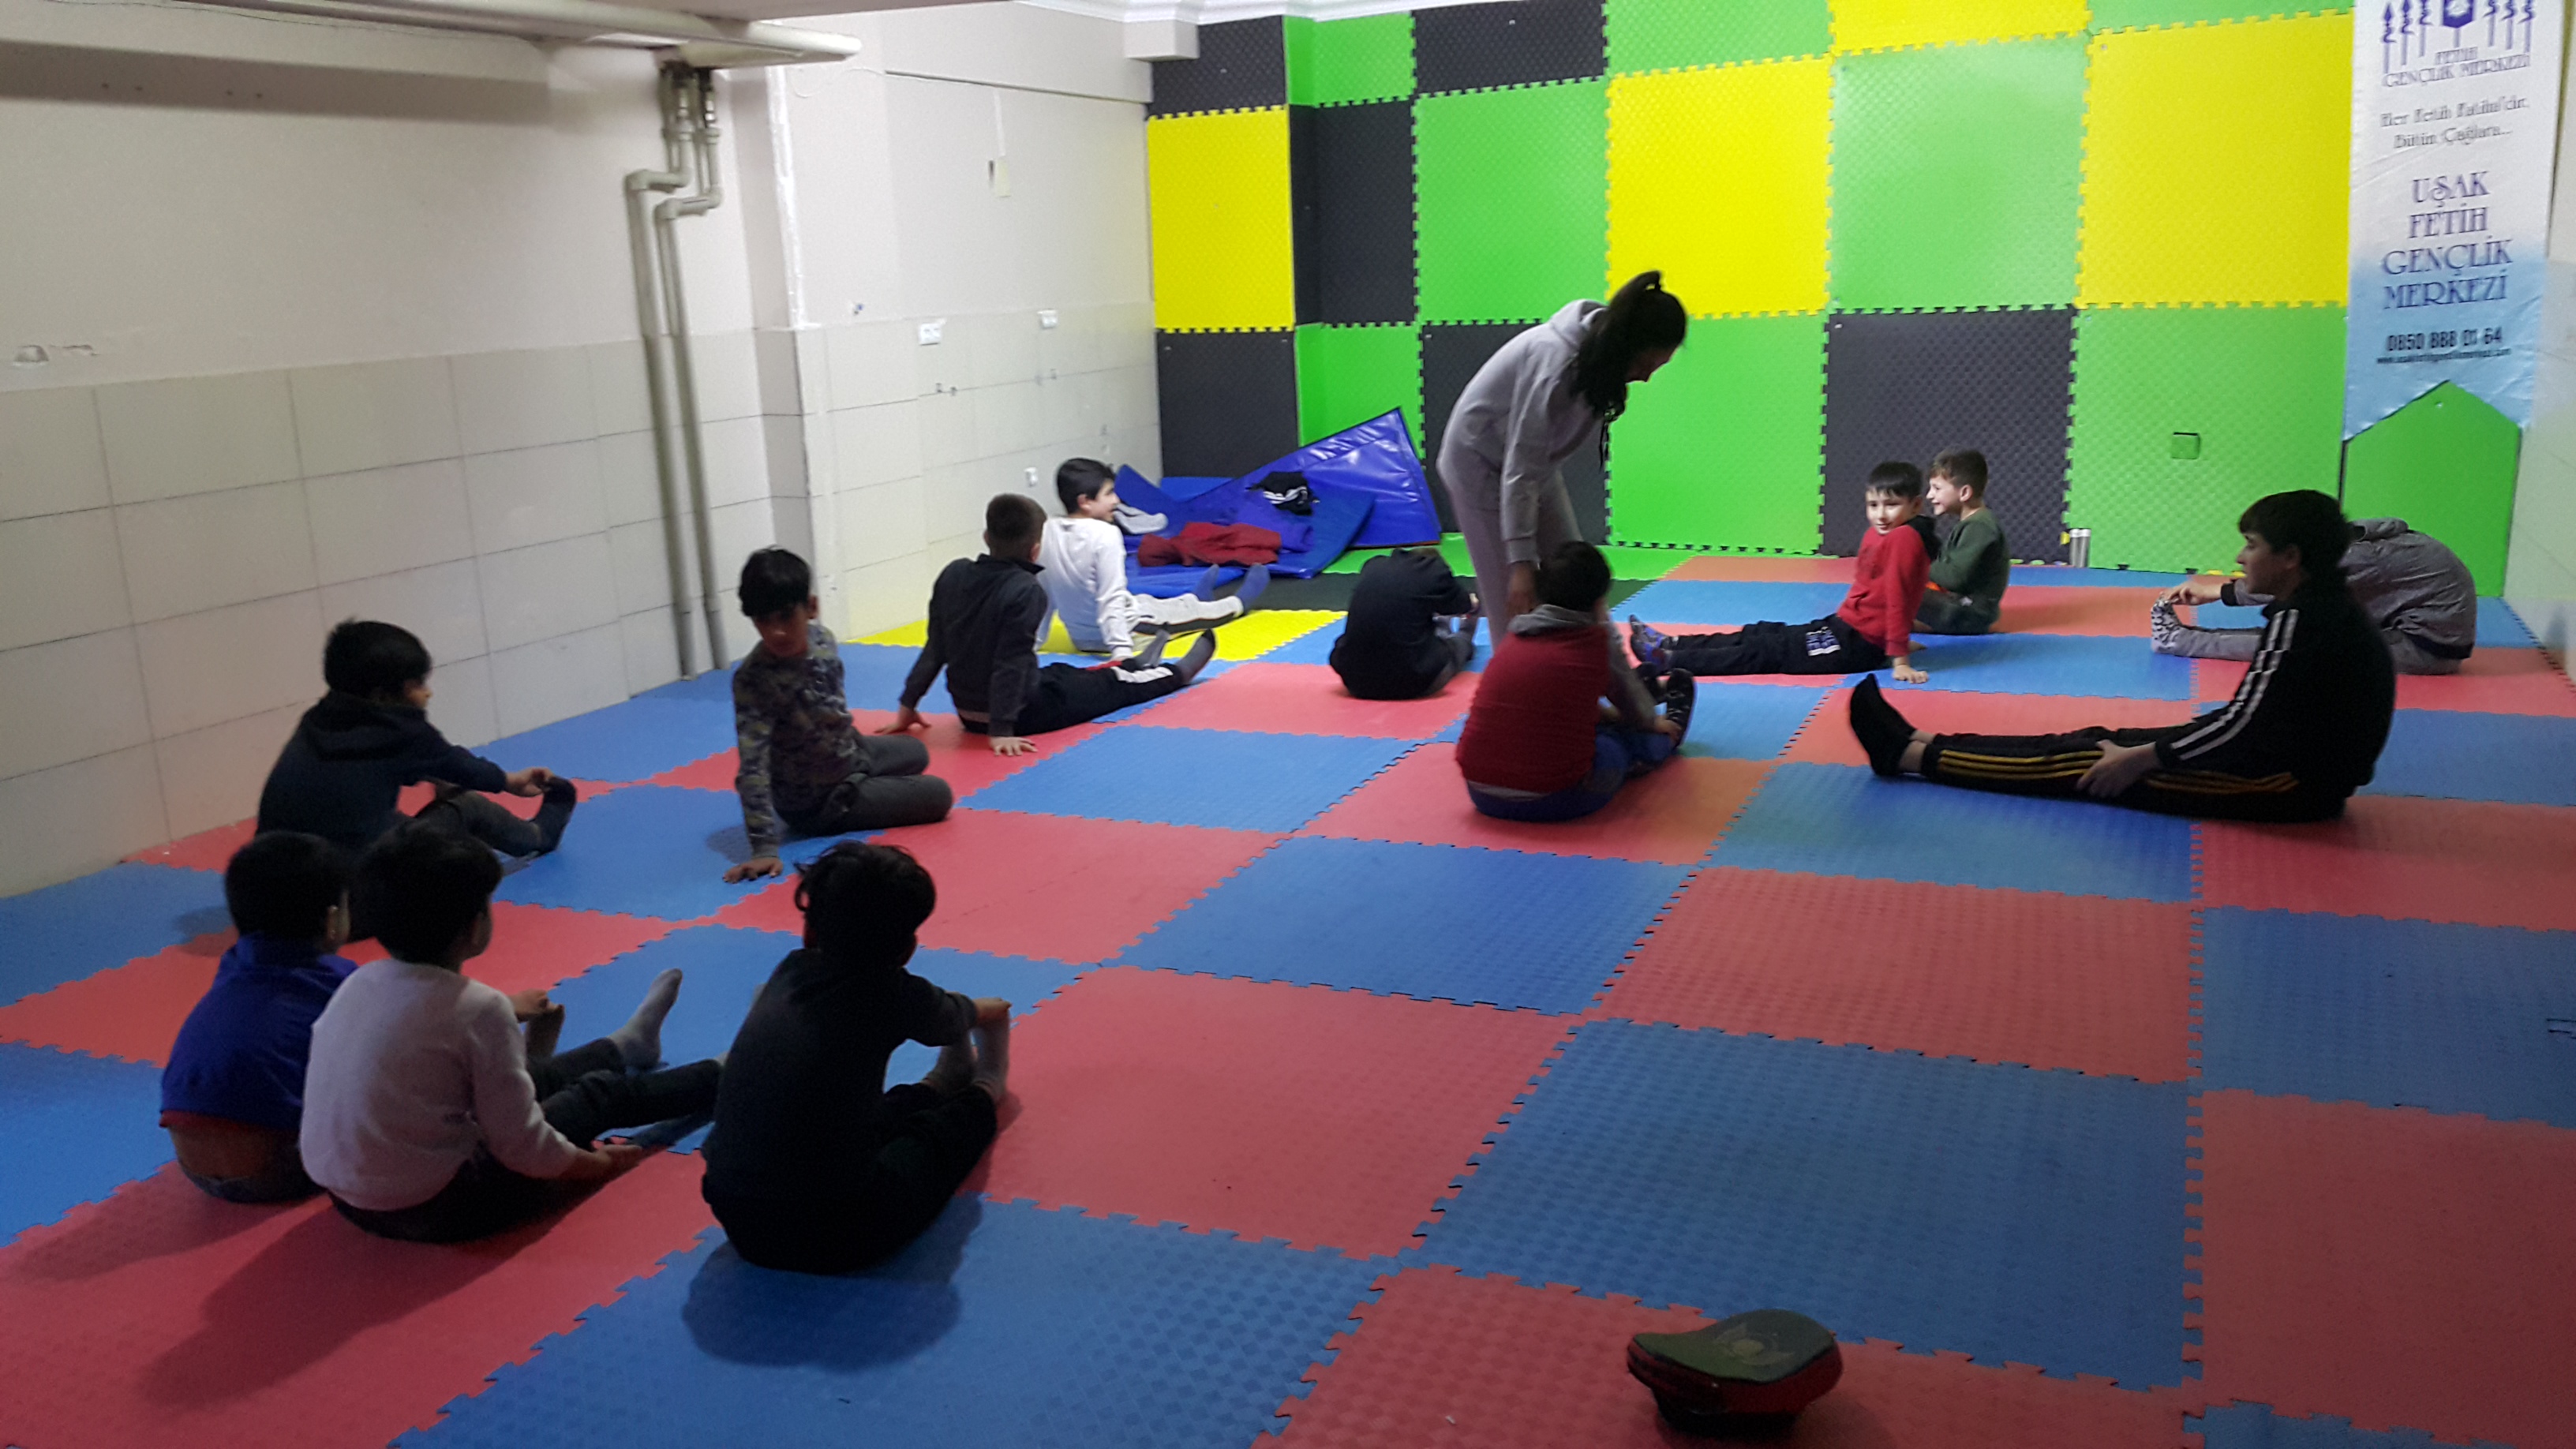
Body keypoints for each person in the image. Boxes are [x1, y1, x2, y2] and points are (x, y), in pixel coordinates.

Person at [1849, 489, 2395, 822]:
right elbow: (2253, 718)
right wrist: (2152, 746)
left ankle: (1908, 758)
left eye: (2252, 545)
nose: (2240, 556)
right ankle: (1924, 739)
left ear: (2290, 557)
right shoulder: (2321, 606)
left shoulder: (2305, 621)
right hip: (2271, 759)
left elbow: (2245, 726)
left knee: (2085, 763)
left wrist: (2146, 758)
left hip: (2283, 784)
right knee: (2097, 737)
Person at [301, 822, 723, 1243]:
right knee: (598, 1095)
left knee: (527, 1078)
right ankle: (726, 1072)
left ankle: (626, 1047)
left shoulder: (358, 982)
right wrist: (596, 1166)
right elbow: (523, 1147)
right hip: (438, 1207)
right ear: (475, 926)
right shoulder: (479, 1008)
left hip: (348, 1198)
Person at [701, 841, 1010, 1274]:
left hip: (736, 1214)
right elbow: (950, 1020)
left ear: (809, 933)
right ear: (907, 950)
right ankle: (986, 1088)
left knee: (869, 1117)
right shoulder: (889, 991)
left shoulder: (789, 971)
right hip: (841, 1228)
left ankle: (936, 1085)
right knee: (933, 1141)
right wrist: (991, 1011)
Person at [1442, 271, 1689, 628]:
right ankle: (1515, 664)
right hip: (1478, 463)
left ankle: (1613, 664)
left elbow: (1531, 467)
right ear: (1627, 346)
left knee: (1582, 585)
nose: (1646, 377)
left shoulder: (1600, 359)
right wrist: (1521, 564)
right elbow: (1520, 470)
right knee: (1515, 603)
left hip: (1531, 468)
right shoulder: (1554, 364)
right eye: (1645, 365)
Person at [882, 494, 1217, 757]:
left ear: (986, 537)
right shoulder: (1024, 590)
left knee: (1062, 673)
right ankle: (1175, 673)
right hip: (1021, 715)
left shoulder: (953, 573)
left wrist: (907, 705)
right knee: (1114, 689)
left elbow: (936, 647)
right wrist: (1001, 731)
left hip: (968, 713)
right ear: (1035, 550)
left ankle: (1131, 665)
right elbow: (1010, 663)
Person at [256, 619, 575, 863]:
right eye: (418, 685)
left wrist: (441, 774)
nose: (428, 693)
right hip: (356, 894)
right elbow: (454, 763)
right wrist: (508, 781)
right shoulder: (403, 732)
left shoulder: (318, 719)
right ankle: (537, 836)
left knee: (391, 815)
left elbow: (429, 761)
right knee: (468, 807)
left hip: (272, 887)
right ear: (382, 696)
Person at [725, 549, 954, 885]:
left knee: (916, 751)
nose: (776, 633)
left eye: (786, 617)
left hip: (848, 754)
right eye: (763, 621)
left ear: (811, 607)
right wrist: (763, 848)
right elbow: (753, 767)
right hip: (819, 801)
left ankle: (862, 778)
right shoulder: (754, 680)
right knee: (939, 795)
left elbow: (831, 712)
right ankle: (857, 790)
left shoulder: (823, 641)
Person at [158, 833, 358, 1204]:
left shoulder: (234, 963)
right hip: (279, 1170)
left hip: (191, 1163)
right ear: (334, 920)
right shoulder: (341, 983)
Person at [1455, 541, 1695, 822]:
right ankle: (1666, 739)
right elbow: (1637, 711)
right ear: (1599, 602)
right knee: (1621, 744)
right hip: (1559, 797)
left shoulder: (1514, 637)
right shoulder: (1595, 642)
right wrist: (1654, 724)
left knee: (1564, 720)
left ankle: (1642, 696)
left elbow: (1553, 707)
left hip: (1480, 792)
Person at [1630, 462, 1934, 683]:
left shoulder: (1903, 539)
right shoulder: (1882, 534)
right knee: (1763, 633)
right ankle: (1673, 642)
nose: (1881, 514)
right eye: (1873, 505)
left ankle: (1670, 660)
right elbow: (1875, 591)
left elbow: (1898, 597)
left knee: (1767, 652)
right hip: (1845, 628)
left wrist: (1899, 658)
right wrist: (1893, 641)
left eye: (1892, 505)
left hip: (1856, 646)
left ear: (1916, 505)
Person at [2151, 515, 2476, 674]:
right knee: (2293, 627)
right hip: (2414, 627)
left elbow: (2282, 585)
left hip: (2426, 649)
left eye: (2252, 546)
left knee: (2291, 644)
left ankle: (2179, 641)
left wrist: (2216, 591)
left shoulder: (2363, 557)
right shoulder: (2359, 539)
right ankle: (2189, 636)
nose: (2242, 556)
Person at [1040, 459, 1266, 658]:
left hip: (1081, 637)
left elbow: (1043, 593)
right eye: (1108, 494)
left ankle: (1192, 599)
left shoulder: (1048, 530)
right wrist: (1121, 652)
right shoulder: (1104, 535)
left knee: (1146, 601)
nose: (1116, 500)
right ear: (1085, 502)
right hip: (1126, 633)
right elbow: (1111, 596)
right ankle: (1237, 603)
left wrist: (1035, 642)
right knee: (1195, 616)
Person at [1329, 547, 1479, 700]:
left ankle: (1440, 622)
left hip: (1355, 681)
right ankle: (1462, 633)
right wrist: (1473, 603)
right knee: (1459, 645)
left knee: (1407, 619)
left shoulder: (1373, 566)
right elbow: (1463, 605)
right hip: (1413, 681)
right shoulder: (1436, 571)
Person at [1915, 449, 2009, 636]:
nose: (1930, 495)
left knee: (1895, 591)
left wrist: (1917, 567)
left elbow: (1955, 578)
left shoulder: (1979, 526)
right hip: (1961, 605)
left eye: (1937, 489)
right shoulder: (1972, 523)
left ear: (1964, 492)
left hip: (1971, 613)